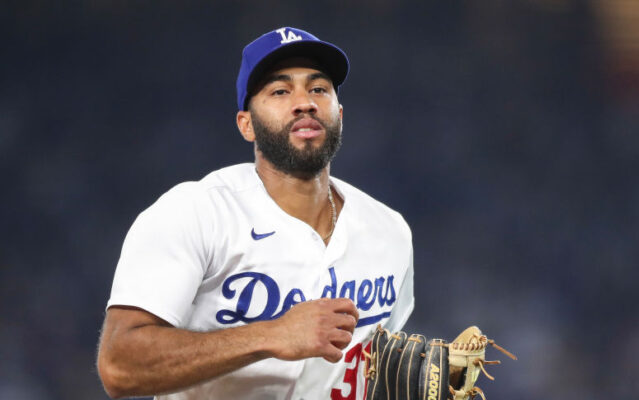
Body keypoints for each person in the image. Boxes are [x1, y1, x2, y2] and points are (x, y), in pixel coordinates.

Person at [96, 27, 414, 400]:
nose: (304, 102)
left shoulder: (389, 231)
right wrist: (272, 334)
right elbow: (120, 366)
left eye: (318, 89)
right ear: (246, 124)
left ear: (339, 115)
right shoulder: (196, 212)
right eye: (280, 91)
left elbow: (378, 370)